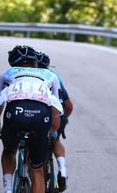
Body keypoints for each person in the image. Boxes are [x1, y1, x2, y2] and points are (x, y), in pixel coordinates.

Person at [0, 45, 63, 193]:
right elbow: (56, 111)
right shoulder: (51, 75)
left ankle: (8, 188)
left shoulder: (7, 73)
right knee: (37, 169)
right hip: (41, 117)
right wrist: (50, 132)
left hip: (15, 114)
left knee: (9, 151)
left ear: (12, 63)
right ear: (35, 62)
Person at [36, 52, 73, 192]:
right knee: (56, 141)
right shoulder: (55, 76)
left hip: (37, 114)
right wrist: (65, 120)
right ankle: (62, 170)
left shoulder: (28, 75)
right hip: (57, 113)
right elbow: (69, 105)